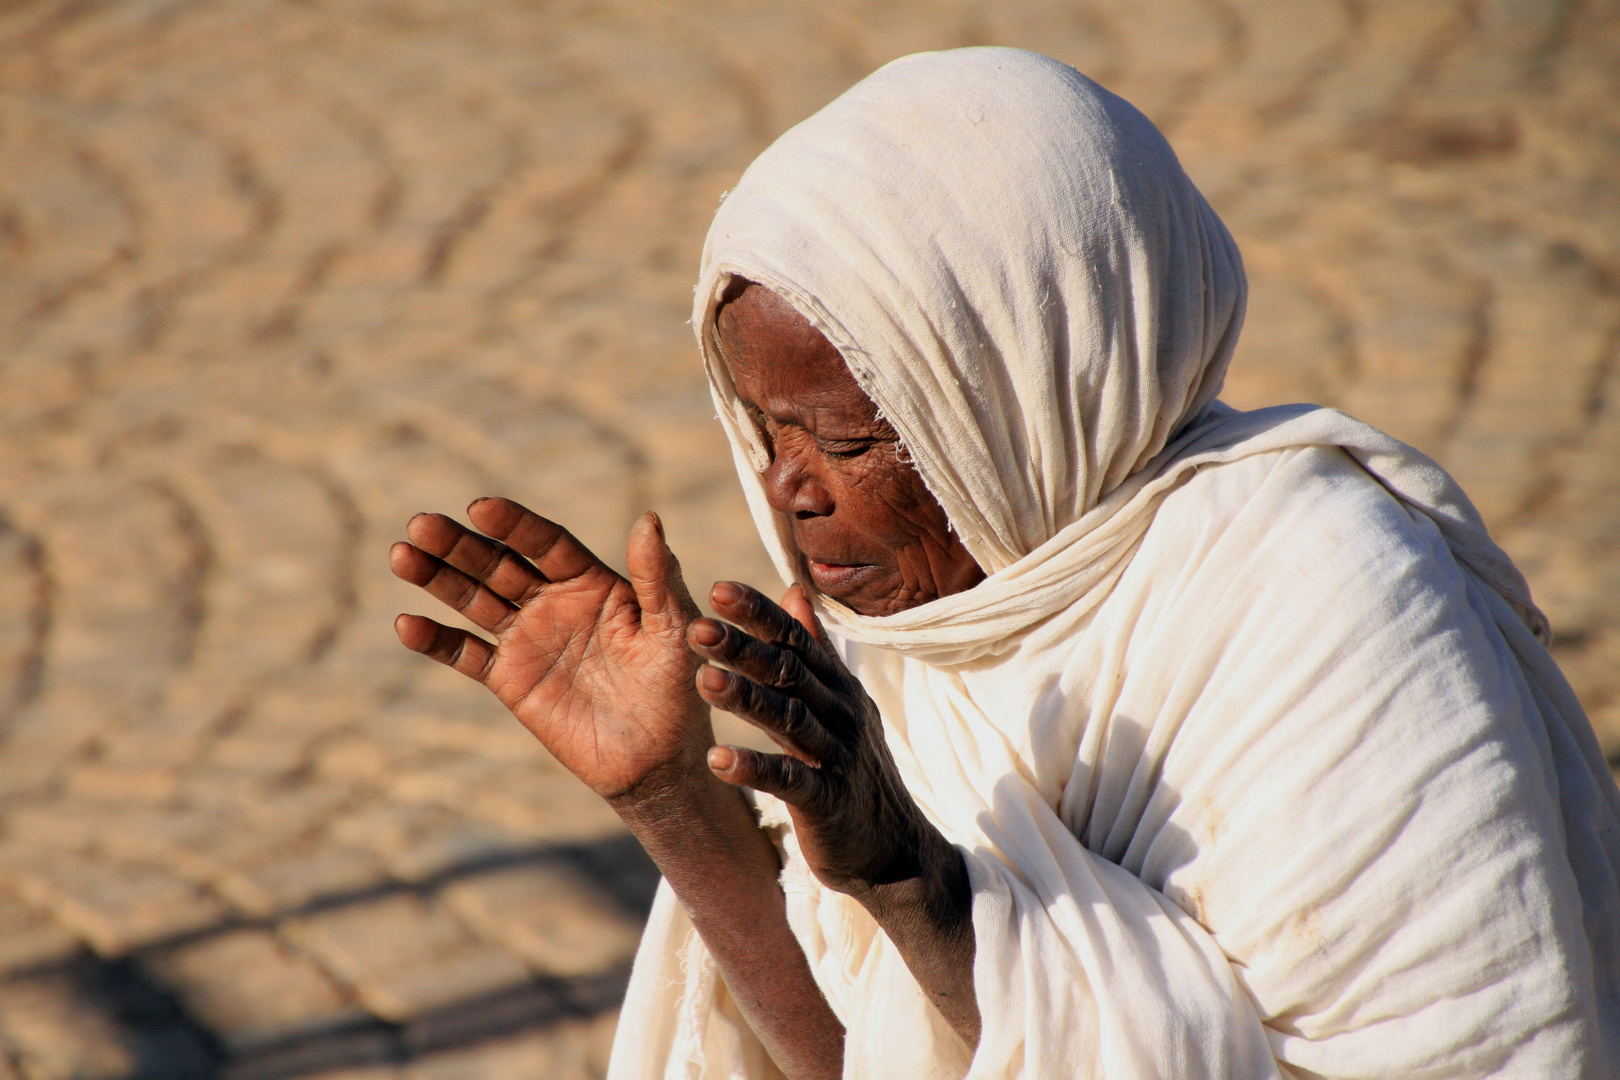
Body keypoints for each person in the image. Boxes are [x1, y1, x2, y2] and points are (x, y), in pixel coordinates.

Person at [390, 48, 1620, 1080]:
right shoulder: (915, 630)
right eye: (763, 431)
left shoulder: (1329, 605)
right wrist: (670, 797)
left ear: (1027, 385)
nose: (787, 491)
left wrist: (918, 883)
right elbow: (868, 1057)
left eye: (849, 435)